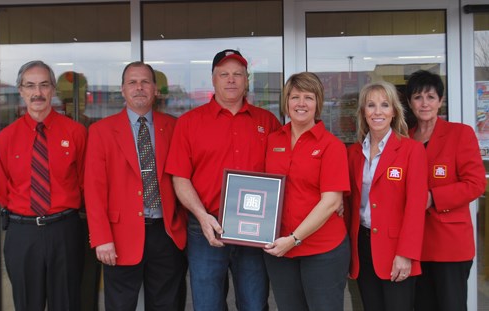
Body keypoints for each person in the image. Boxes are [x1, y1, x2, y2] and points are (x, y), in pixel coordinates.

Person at [165, 49, 281, 310]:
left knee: (254, 304)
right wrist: (202, 216)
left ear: (246, 80)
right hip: (206, 227)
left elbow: (285, 173)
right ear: (213, 79)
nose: (231, 80)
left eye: (237, 74)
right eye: (224, 74)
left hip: (254, 230)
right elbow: (180, 178)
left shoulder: (268, 122)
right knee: (208, 305)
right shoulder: (189, 123)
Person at [85, 61, 187, 311]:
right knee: (120, 305)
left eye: (145, 82)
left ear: (155, 89)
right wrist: (101, 238)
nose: (139, 87)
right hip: (119, 238)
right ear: (122, 89)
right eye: (132, 82)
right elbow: (93, 189)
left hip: (166, 235)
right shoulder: (101, 131)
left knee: (167, 304)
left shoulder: (174, 127)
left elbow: (184, 179)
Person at [0, 60, 86, 310]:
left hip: (65, 231)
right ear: (21, 91)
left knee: (67, 303)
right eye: (30, 86)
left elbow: (85, 182)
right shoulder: (6, 138)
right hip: (23, 234)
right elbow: (2, 189)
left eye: (44, 85)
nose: (37, 93)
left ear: (53, 90)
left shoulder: (76, 133)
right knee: (26, 304)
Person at [262, 72, 350, 310]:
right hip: (280, 249)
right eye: (295, 97)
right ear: (286, 102)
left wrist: (294, 239)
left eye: (308, 97)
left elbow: (331, 202)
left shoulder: (332, 146)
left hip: (323, 251)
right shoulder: (272, 141)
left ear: (318, 103)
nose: (301, 103)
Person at [406, 70, 486, 311]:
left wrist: (433, 198)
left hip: (450, 246)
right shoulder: (405, 139)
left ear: (441, 101)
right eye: (418, 97)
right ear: (410, 102)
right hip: (415, 246)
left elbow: (475, 183)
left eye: (431, 97)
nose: (424, 103)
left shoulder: (460, 134)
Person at [346, 81, 428, 311]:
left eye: (384, 105)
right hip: (362, 247)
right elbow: (348, 204)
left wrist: (406, 254)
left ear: (394, 111)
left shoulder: (412, 150)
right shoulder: (353, 153)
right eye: (371, 105)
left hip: (396, 249)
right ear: (363, 111)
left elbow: (415, 207)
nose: (378, 111)